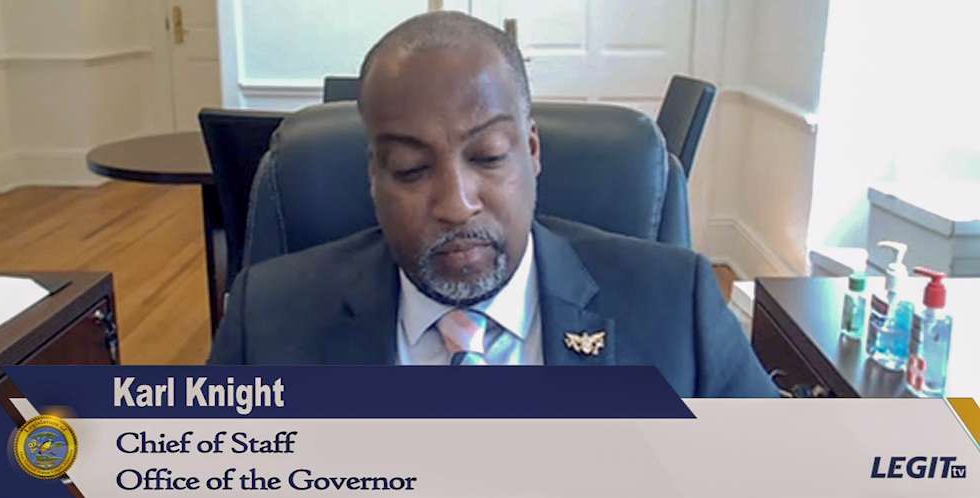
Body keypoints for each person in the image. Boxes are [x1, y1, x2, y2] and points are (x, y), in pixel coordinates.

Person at [209, 12, 778, 397]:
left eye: (488, 156)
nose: (456, 205)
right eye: (410, 168)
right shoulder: (267, 319)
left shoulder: (677, 305)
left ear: (532, 151)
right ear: (374, 177)